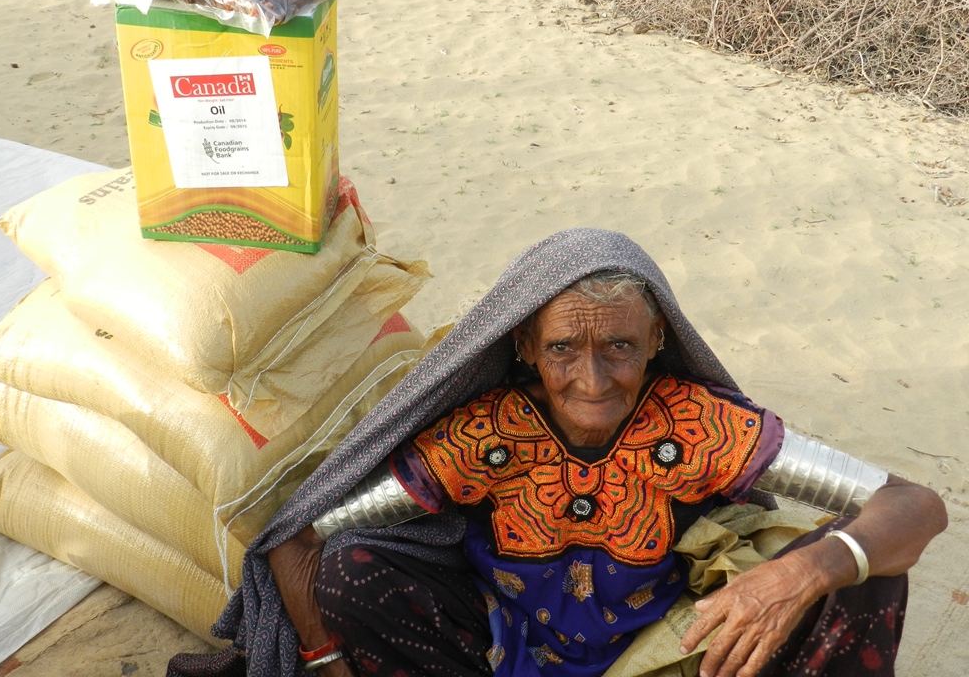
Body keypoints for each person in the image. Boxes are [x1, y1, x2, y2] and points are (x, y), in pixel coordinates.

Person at [169, 228, 946, 677]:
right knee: (353, 570)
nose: (592, 379)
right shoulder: (487, 434)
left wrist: (801, 573)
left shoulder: (697, 425)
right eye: (564, 348)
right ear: (525, 347)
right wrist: (324, 663)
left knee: (859, 573)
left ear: (657, 340)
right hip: (509, 657)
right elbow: (300, 535)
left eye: (619, 347)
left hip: (668, 653)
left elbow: (914, 505)